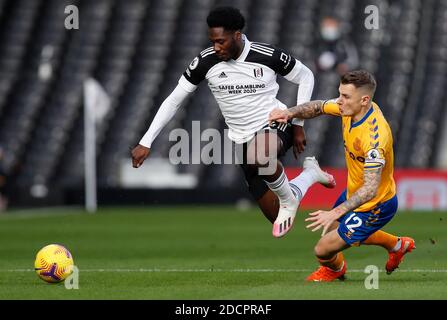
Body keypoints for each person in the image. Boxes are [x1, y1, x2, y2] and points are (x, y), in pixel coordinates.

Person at [131, 6, 335, 238]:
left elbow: (306, 76)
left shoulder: (267, 55)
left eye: (221, 41)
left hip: (275, 123)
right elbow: (173, 100)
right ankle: (310, 175)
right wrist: (146, 141)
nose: (216, 48)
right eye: (212, 42)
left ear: (237, 35)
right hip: (241, 138)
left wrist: (298, 124)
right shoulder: (205, 62)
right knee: (273, 212)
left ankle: (289, 201)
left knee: (260, 157)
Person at [269, 70, 415, 281]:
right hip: (354, 192)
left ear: (364, 100)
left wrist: (334, 212)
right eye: (340, 94)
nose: (339, 101)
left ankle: (335, 269)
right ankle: (397, 245)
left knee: (322, 249)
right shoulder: (350, 108)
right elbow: (318, 106)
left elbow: (370, 189)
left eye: (345, 97)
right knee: (344, 231)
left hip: (376, 204)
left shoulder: (375, 137)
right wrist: (289, 113)